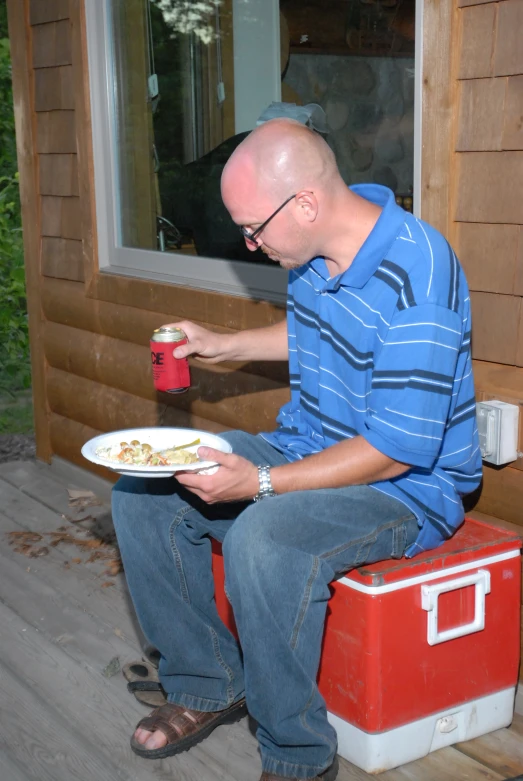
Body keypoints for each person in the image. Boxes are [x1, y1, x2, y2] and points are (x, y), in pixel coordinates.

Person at [112, 118, 481, 781]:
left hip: (401, 487)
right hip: (307, 442)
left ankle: (297, 755)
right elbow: (311, 330)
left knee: (266, 537)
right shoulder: (315, 248)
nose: (250, 244)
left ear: (304, 203)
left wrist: (258, 482)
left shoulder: (418, 273)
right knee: (144, 487)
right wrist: (221, 343)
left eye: (253, 228)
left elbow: (396, 451)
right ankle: (206, 682)